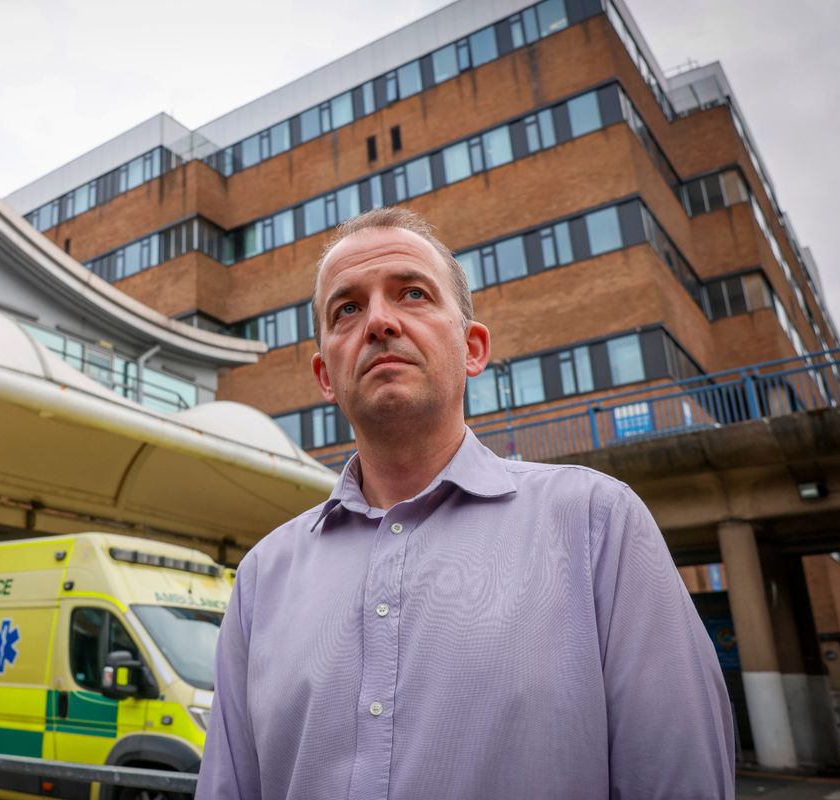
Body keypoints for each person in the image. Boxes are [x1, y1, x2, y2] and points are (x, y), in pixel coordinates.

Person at [196, 207, 735, 799]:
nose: (378, 321)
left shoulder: (595, 525)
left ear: (473, 348)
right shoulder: (260, 580)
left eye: (413, 294)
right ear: (326, 375)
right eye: (346, 308)